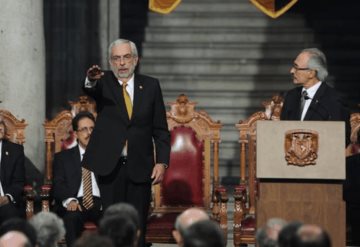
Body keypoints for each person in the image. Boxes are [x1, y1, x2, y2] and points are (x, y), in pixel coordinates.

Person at [82, 38, 171, 246]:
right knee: (111, 227)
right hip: (109, 167)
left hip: (140, 166)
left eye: (126, 57)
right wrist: (90, 79)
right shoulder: (103, 83)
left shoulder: (150, 86)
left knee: (137, 226)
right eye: (116, 58)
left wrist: (162, 162)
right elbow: (90, 88)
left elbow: (160, 129)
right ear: (110, 62)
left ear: (136, 59)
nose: (121, 63)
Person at [52, 111, 103, 246]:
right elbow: (58, 184)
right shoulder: (62, 158)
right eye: (84, 129)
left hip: (100, 203)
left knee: (114, 219)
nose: (89, 133)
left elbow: (114, 183)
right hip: (76, 202)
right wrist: (70, 200)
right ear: (75, 134)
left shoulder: (106, 156)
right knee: (71, 219)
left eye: (92, 128)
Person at [280, 48, 350, 144]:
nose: (291, 71)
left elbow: (342, 140)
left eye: (296, 67)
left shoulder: (334, 100)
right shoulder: (291, 96)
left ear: (311, 73)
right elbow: (282, 132)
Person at [0, 120, 25, 223]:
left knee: (11, 216)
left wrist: (7, 197)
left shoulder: (15, 150)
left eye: (1, 124)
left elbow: (19, 181)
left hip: (5, 202)